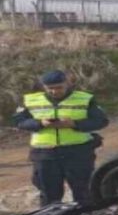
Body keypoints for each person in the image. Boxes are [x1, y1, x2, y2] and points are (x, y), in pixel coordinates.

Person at [12, 70, 109, 206]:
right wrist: (40, 123)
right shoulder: (30, 100)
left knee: (85, 192)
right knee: (49, 194)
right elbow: (19, 121)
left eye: (58, 87)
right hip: (45, 154)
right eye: (50, 88)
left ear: (67, 84)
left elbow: (101, 121)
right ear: (43, 86)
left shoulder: (85, 98)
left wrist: (74, 124)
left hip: (78, 152)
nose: (54, 91)